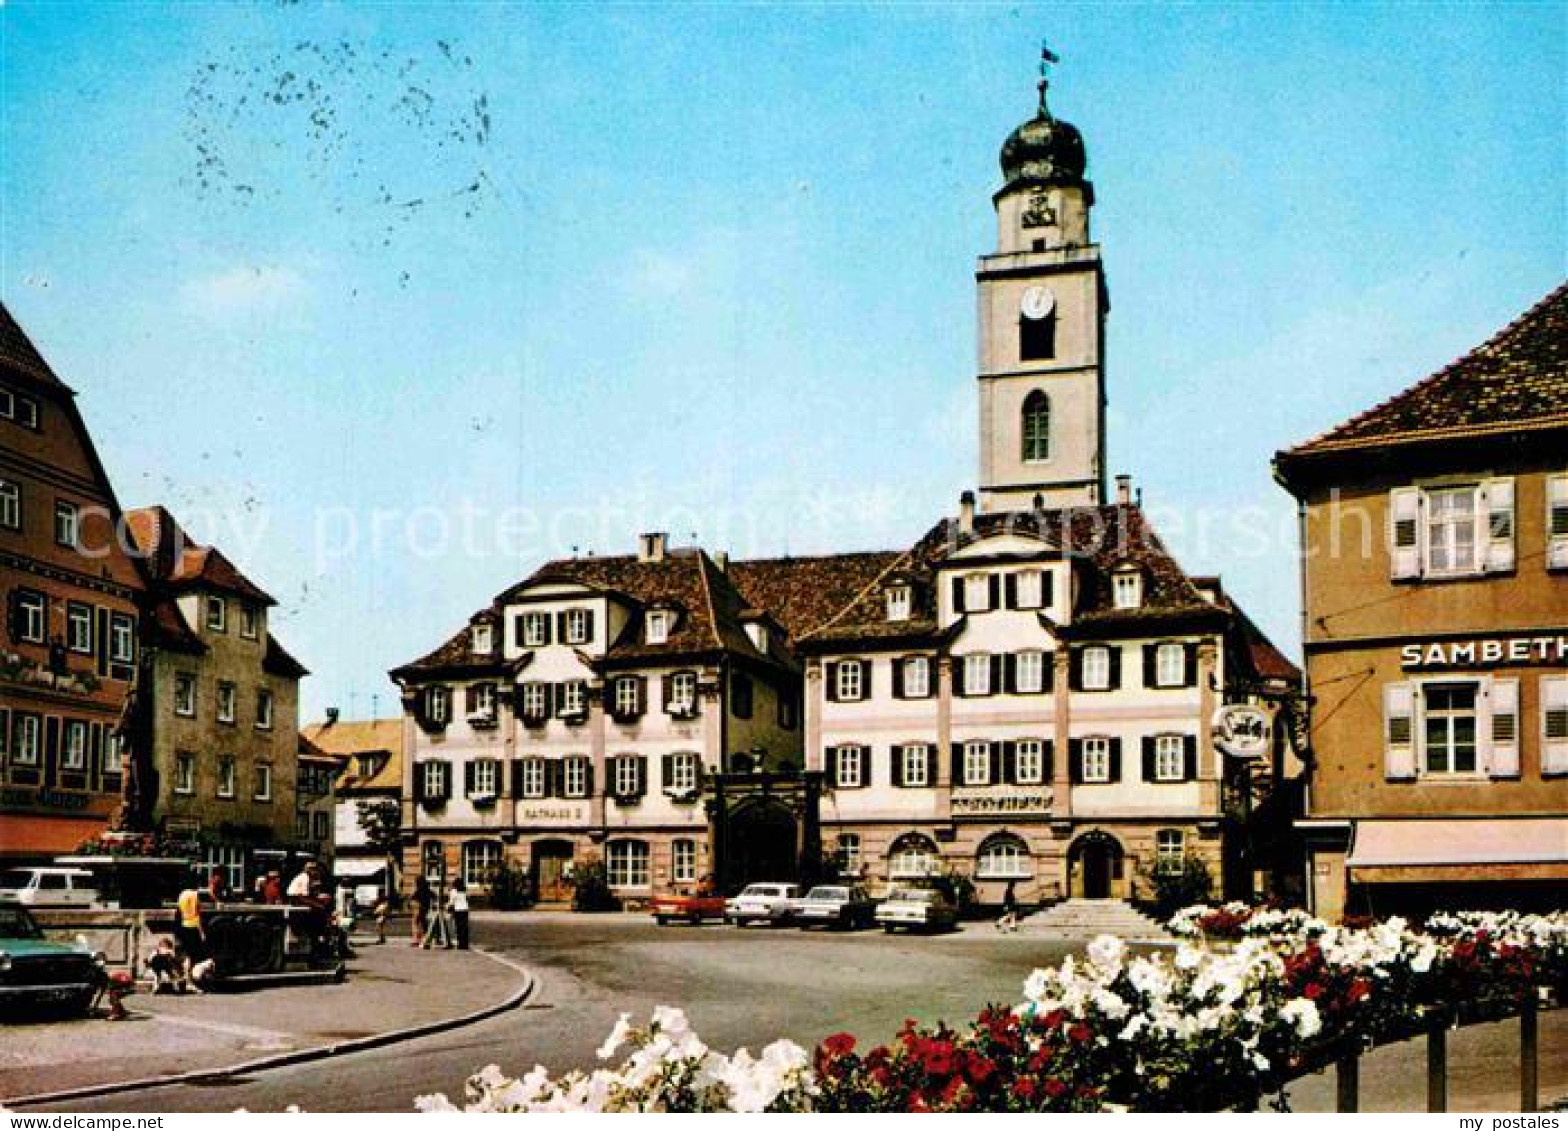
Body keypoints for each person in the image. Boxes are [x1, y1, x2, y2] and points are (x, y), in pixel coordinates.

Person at [173, 882, 207, 991]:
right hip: (192, 927)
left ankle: (182, 979)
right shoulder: (195, 895)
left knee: (184, 955)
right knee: (191, 956)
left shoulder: (182, 894)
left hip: (182, 926)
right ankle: (189, 981)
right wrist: (202, 932)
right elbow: (197, 915)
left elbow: (178, 912)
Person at [421, 883, 453, 949]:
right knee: (437, 926)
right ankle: (439, 940)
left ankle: (431, 941)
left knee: (433, 927)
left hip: (434, 912)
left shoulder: (431, 893)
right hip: (435, 912)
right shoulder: (432, 893)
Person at [447, 878, 470, 950]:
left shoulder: (453, 891)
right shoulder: (464, 890)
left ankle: (460, 944)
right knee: (464, 927)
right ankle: (465, 944)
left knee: (459, 927)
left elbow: (451, 902)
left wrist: (446, 907)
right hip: (465, 910)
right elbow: (468, 898)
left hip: (458, 910)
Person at [411, 876, 432, 947]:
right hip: (426, 910)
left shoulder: (418, 891)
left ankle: (417, 940)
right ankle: (424, 939)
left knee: (416, 924)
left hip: (419, 910)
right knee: (424, 925)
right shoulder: (428, 890)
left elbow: (413, 901)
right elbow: (435, 897)